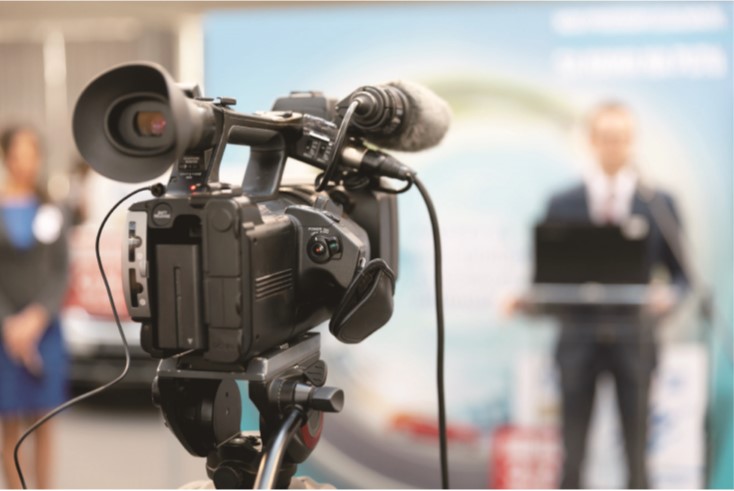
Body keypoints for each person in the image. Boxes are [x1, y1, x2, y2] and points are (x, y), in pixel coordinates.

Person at [510, 102, 688, 488]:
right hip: (577, 338)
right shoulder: (562, 203)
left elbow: (682, 277)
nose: (613, 146)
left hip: (635, 339)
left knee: (637, 455)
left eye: (621, 138)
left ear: (632, 141)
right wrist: (527, 299)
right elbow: (545, 278)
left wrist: (668, 297)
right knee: (571, 455)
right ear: (592, 140)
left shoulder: (659, 204)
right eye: (606, 137)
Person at [0, 126, 70, 489]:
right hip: (5, 334)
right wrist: (10, 325)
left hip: (46, 330)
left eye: (31, 155)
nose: (25, 163)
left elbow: (62, 271)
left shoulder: (51, 208)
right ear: (6, 157)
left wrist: (36, 318)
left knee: (43, 423)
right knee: (9, 424)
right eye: (18, 155)